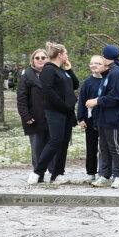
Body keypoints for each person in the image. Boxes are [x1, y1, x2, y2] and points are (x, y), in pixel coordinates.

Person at [30, 42, 79, 185]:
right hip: (55, 111)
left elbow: (74, 85)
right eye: (66, 53)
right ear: (60, 55)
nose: (67, 56)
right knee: (55, 141)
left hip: (66, 113)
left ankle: (57, 174)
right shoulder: (48, 70)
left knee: (63, 143)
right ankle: (37, 172)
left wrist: (69, 70)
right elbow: (49, 91)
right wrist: (63, 106)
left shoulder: (61, 70)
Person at [86, 45, 119, 188]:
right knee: (103, 147)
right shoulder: (109, 73)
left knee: (114, 147)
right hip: (103, 117)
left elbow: (116, 97)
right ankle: (104, 175)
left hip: (113, 117)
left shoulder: (117, 73)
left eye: (102, 57)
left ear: (107, 58)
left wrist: (97, 101)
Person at [17, 49, 49, 170]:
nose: (40, 60)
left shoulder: (53, 73)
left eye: (43, 57)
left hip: (51, 117)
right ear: (33, 60)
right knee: (37, 147)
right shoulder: (26, 76)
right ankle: (38, 172)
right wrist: (26, 116)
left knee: (51, 147)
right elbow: (21, 98)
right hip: (34, 118)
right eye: (37, 58)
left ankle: (53, 173)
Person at [77, 55, 105, 181]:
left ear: (103, 65)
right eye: (92, 63)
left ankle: (104, 172)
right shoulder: (87, 82)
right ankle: (91, 172)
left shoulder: (107, 80)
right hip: (90, 120)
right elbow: (82, 101)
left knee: (105, 148)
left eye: (98, 63)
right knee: (91, 147)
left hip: (105, 119)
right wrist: (81, 118)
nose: (94, 65)